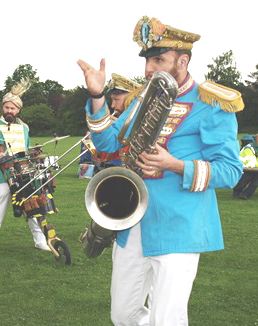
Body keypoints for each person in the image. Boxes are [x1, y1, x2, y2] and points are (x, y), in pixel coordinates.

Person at [78, 16, 243, 325]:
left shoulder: (212, 104)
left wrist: (175, 165)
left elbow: (231, 170)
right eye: (147, 61)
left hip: (179, 226)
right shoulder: (141, 97)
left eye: (158, 60)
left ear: (183, 60)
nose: (148, 69)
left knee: (167, 319)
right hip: (131, 224)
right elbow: (106, 140)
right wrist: (98, 97)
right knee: (123, 314)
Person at [0, 79, 50, 263]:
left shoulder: (24, 128)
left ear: (18, 110)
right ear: (3, 107)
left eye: (13, 109)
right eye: (7, 108)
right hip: (4, 176)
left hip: (25, 174)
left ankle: (40, 240)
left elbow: (25, 149)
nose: (10, 111)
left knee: (33, 208)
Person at [233, 134, 258, 199]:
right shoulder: (249, 148)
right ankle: (237, 192)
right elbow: (252, 164)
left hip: (252, 169)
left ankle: (245, 194)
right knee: (249, 176)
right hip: (244, 168)